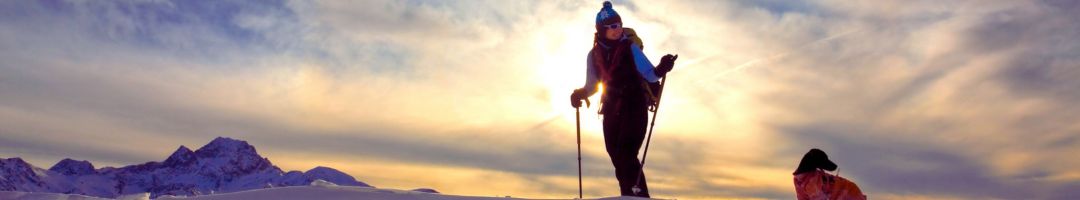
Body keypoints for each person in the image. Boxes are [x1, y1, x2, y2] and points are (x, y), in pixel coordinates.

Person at [569, 1, 677, 197]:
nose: (616, 29)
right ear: (601, 30)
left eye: (618, 25)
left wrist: (663, 67)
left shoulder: (630, 48)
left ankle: (638, 196)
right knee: (616, 155)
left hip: (634, 105)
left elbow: (651, 75)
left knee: (626, 153)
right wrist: (580, 94)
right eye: (611, 27)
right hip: (610, 109)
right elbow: (593, 85)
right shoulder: (593, 55)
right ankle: (628, 195)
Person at [793, 148, 867, 200]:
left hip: (850, 192)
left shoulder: (813, 181)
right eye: (824, 161)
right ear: (814, 162)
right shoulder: (799, 180)